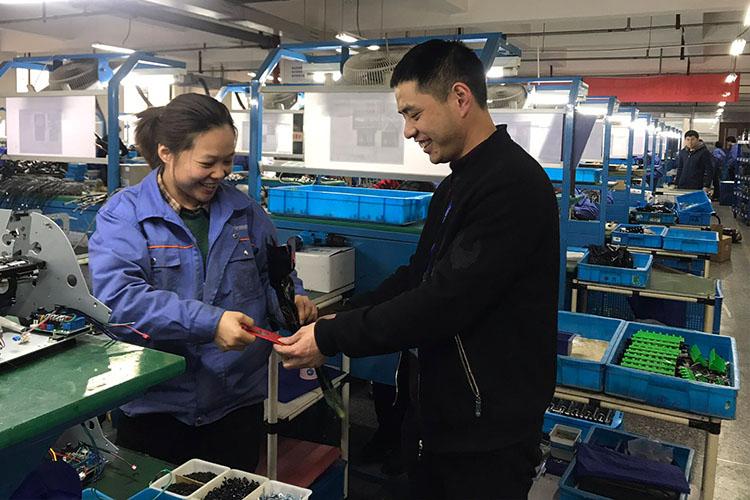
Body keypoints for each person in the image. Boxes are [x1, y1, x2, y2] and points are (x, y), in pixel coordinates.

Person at [275, 40, 559, 499]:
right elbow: (418, 275)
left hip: (486, 431)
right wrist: (337, 317)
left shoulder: (512, 185)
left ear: (460, 98)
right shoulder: (458, 183)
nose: (408, 131)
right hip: (444, 412)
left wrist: (331, 338)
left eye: (414, 114)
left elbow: (444, 302)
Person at [88, 93, 317, 471]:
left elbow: (274, 274)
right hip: (156, 407)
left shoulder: (245, 213)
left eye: (228, 161)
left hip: (235, 405)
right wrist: (210, 323)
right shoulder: (125, 215)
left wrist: (292, 300)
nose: (221, 173)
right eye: (208, 162)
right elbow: (120, 302)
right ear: (166, 153)